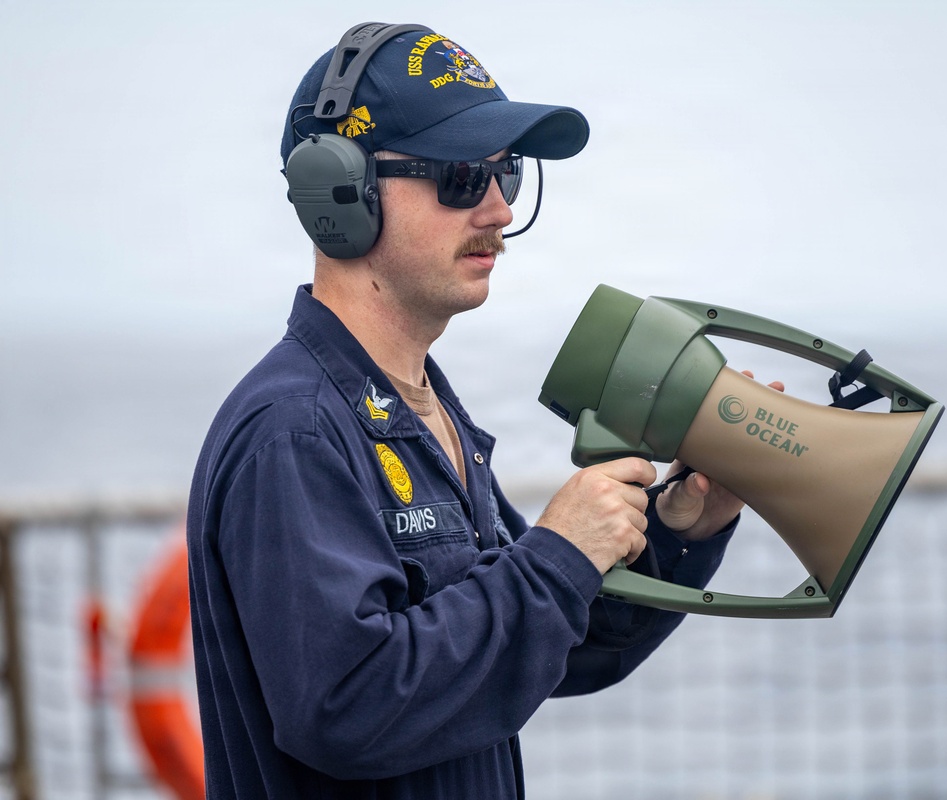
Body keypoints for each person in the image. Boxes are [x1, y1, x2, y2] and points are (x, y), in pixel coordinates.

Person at [187, 22, 749, 799]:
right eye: (459, 178)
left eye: (507, 173)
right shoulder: (295, 432)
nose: (496, 210)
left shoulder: (419, 407)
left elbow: (552, 645)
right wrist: (557, 555)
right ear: (339, 190)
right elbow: (345, 706)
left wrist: (684, 528)